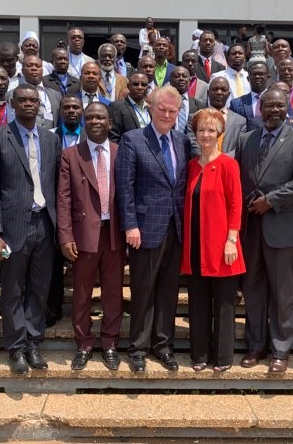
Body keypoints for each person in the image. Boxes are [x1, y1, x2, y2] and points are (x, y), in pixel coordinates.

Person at [235, 89, 293, 373]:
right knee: (253, 289)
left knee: (283, 293)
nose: (273, 110)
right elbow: (240, 178)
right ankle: (255, 345)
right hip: (250, 228)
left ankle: (280, 350)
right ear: (259, 108)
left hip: (283, 227)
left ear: (287, 108)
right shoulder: (246, 139)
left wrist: (270, 201)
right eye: (268, 105)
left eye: (279, 106)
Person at [0, 84, 61, 375]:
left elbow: (57, 185)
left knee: (39, 288)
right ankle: (15, 347)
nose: (28, 103)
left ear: (40, 105)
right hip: (12, 227)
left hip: (45, 224)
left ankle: (33, 342)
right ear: (12, 104)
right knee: (12, 289)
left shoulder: (51, 139)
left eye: (33, 100)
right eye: (22, 100)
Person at [115, 86, 192, 373]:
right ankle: (137, 347)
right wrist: (130, 225)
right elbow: (125, 187)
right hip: (145, 229)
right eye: (163, 109)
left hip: (176, 227)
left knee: (168, 291)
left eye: (173, 111)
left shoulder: (182, 141)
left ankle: (163, 345)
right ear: (151, 108)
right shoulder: (133, 139)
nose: (167, 115)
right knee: (143, 290)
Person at [57, 103, 125, 371]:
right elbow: (63, 198)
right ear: (84, 122)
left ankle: (109, 343)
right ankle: (84, 343)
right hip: (84, 234)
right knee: (82, 292)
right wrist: (65, 236)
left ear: (110, 123)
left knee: (113, 292)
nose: (95, 121)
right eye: (91, 118)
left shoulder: (121, 152)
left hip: (114, 234)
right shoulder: (71, 155)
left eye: (101, 117)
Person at [182, 108, 244, 372]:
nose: (205, 134)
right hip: (195, 247)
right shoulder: (191, 166)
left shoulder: (229, 164)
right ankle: (200, 354)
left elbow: (236, 205)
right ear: (195, 134)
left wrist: (232, 239)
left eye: (211, 130)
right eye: (201, 130)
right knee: (197, 303)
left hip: (222, 246)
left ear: (219, 134)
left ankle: (223, 357)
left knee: (224, 304)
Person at [45, 95, 86, 327]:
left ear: (82, 111)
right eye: (67, 107)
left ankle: (83, 311)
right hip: (55, 206)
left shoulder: (92, 137)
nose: (71, 111)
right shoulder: (49, 137)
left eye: (76, 107)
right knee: (53, 261)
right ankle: (54, 308)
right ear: (60, 111)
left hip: (85, 208)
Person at [187, 77, 246, 157]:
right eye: (215, 89)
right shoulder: (194, 118)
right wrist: (209, 159)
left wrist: (221, 161)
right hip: (202, 163)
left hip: (228, 163)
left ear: (229, 94)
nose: (219, 92)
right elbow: (193, 144)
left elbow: (239, 147)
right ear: (208, 93)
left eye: (223, 90)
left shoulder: (240, 121)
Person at [108, 72, 150, 144]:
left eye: (143, 84)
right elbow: (113, 138)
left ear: (147, 87)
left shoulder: (150, 109)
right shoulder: (117, 107)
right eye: (135, 84)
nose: (140, 87)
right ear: (128, 86)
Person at [21, 55, 61, 129]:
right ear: (22, 70)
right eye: (29, 65)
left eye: (38, 66)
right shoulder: (11, 95)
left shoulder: (56, 95)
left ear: (42, 70)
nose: (34, 68)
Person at [169, 66, 205, 134]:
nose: (181, 78)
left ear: (189, 81)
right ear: (170, 81)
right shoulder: (164, 103)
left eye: (184, 76)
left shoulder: (199, 105)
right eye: (177, 76)